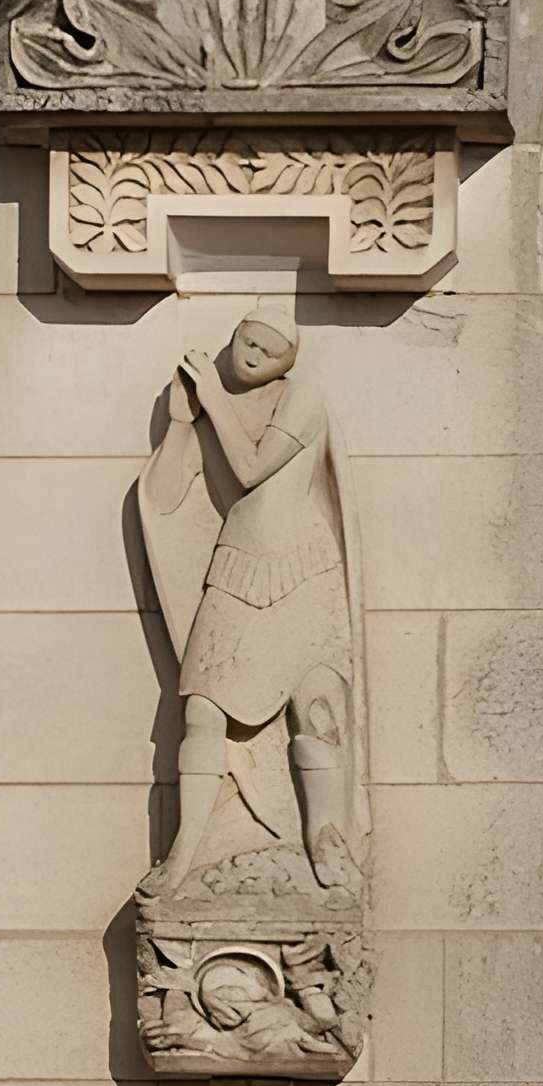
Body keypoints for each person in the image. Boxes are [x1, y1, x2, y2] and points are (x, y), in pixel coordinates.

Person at [139, 306, 355, 894]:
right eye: (247, 341)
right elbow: (163, 499)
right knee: (202, 709)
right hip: (237, 564)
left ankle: (327, 841)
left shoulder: (302, 397)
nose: (253, 355)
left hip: (302, 567)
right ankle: (184, 853)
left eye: (269, 350)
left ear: (288, 362)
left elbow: (252, 467)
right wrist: (180, 424)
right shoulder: (211, 408)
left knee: (317, 707)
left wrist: (211, 397)